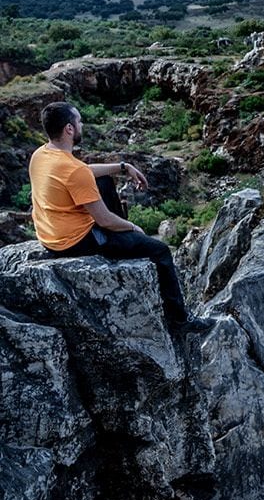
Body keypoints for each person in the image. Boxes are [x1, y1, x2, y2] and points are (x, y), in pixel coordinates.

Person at [28, 101, 212, 334]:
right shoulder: (75, 171)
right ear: (69, 129)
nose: (82, 124)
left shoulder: (41, 154)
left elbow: (81, 172)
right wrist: (131, 226)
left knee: (103, 180)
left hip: (50, 234)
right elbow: (104, 219)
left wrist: (123, 167)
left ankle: (120, 233)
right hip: (75, 242)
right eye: (79, 120)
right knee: (160, 251)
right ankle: (180, 321)